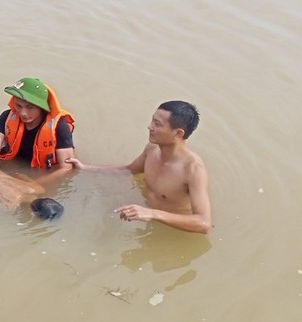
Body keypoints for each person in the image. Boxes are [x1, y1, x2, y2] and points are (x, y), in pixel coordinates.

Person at [67, 100, 212, 234]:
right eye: (152, 120)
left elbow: (204, 223)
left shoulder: (193, 169)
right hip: (146, 216)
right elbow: (129, 169)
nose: (150, 127)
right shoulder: (152, 149)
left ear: (178, 133)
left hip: (174, 230)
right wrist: (85, 168)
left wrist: (153, 214)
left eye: (157, 124)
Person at [0, 77, 75, 208]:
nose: (23, 113)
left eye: (30, 107)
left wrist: (33, 184)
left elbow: (67, 167)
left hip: (43, 171)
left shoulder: (59, 126)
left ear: (42, 107)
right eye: (18, 106)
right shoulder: (6, 117)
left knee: (41, 205)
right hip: (15, 163)